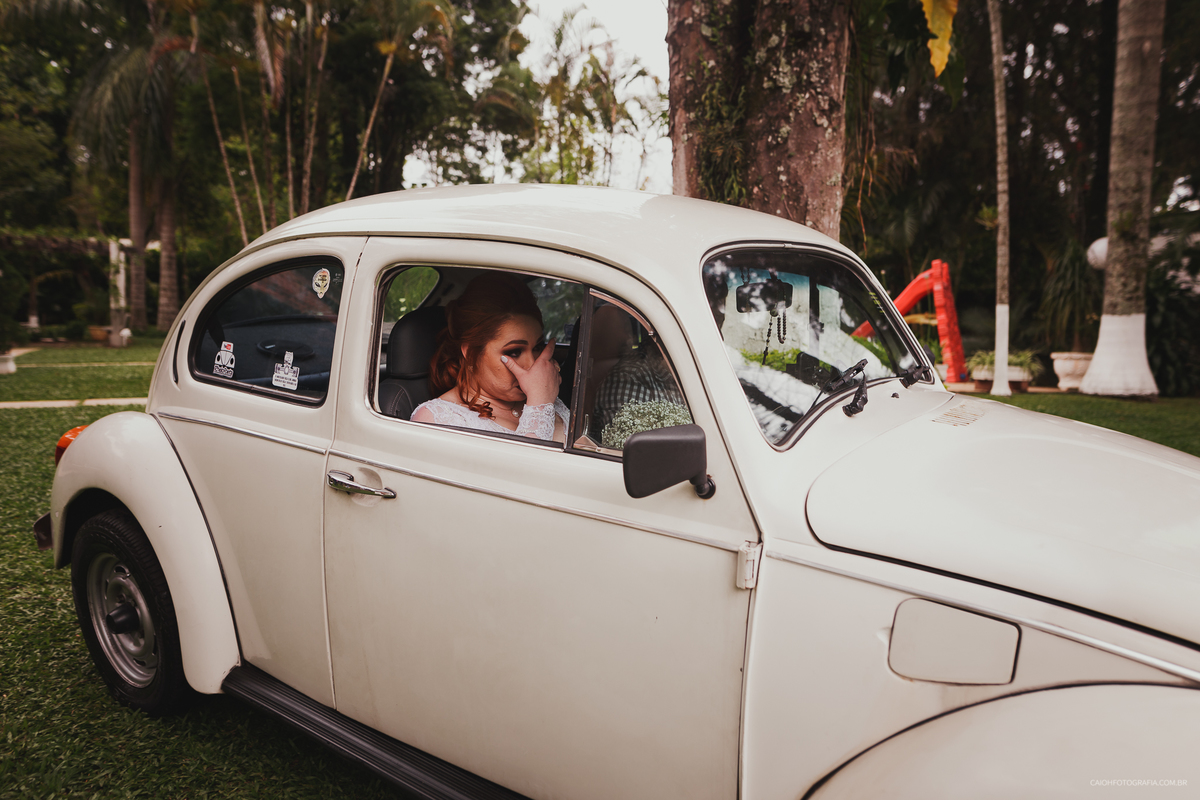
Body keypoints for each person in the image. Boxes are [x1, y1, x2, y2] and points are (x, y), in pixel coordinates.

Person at [412, 272, 569, 443]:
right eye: (514, 352)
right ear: (471, 353)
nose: (532, 365)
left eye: (538, 347)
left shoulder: (541, 395)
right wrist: (539, 403)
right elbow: (523, 468)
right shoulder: (436, 419)